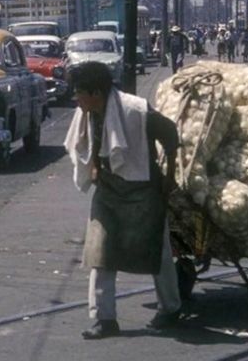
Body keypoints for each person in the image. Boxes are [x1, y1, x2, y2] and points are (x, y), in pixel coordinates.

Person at [65, 62, 182, 340]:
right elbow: (92, 142)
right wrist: (93, 165)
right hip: (108, 191)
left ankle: (171, 307)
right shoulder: (87, 113)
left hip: (143, 189)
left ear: (95, 92)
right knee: (99, 253)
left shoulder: (136, 111)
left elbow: (170, 134)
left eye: (79, 93)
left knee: (158, 250)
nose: (76, 99)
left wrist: (169, 173)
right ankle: (104, 318)